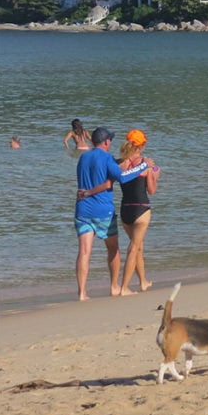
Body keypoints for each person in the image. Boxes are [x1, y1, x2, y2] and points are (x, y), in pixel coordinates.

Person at [73, 126, 148, 301]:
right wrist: (143, 166)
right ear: (106, 142)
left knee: (84, 251)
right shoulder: (107, 158)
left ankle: (82, 293)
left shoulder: (83, 157)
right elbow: (122, 177)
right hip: (103, 210)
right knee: (113, 248)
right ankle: (114, 286)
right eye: (110, 140)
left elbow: (95, 173)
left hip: (83, 209)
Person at [117, 129, 160, 296]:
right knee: (134, 248)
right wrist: (154, 176)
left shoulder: (120, 163)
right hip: (141, 209)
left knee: (138, 246)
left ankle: (143, 282)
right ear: (141, 146)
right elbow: (151, 190)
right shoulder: (145, 164)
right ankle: (124, 287)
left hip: (125, 210)